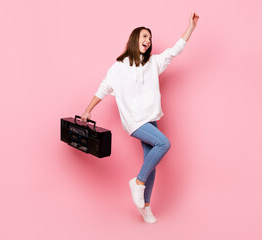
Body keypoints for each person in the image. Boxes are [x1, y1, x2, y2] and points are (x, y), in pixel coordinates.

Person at [81, 13, 199, 223]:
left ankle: (145, 206)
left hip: (151, 119)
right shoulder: (119, 67)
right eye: (145, 36)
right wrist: (88, 110)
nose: (148, 41)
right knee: (164, 143)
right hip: (135, 121)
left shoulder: (153, 63)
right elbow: (103, 88)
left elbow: (175, 51)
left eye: (150, 38)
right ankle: (138, 182)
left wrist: (190, 27)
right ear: (135, 38)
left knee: (150, 162)